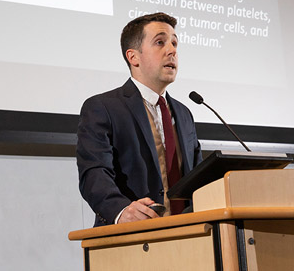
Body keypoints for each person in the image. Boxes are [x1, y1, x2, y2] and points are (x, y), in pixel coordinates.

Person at [76, 12, 202, 226]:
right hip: (131, 238)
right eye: (160, 42)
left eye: (174, 43)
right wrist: (121, 210)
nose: (172, 50)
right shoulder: (103, 108)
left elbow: (198, 179)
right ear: (133, 57)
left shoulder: (184, 114)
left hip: (189, 236)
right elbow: (94, 172)